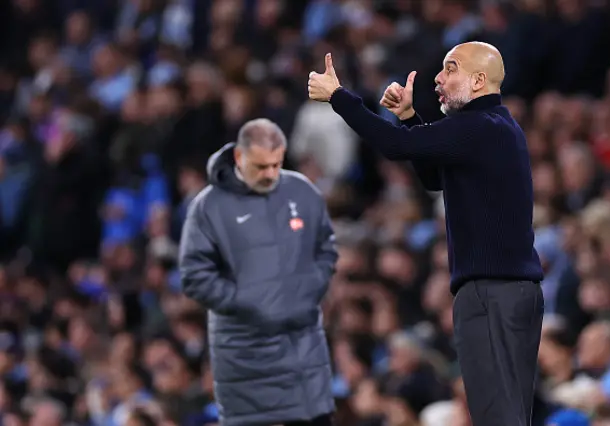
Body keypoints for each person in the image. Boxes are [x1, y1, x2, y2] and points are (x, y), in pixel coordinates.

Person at [308, 43, 545, 426]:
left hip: (490, 292)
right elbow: (434, 175)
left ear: (479, 80)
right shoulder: (497, 127)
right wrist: (408, 117)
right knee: (510, 415)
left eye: (450, 69)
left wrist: (339, 97)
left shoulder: (478, 126)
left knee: (496, 416)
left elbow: (396, 148)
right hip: (510, 291)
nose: (438, 77)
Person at [178, 118, 338, 426]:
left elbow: (326, 247)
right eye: (261, 167)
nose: (270, 175)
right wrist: (246, 301)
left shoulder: (301, 192)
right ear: (239, 157)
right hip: (244, 357)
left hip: (303, 353)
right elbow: (194, 275)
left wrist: (310, 289)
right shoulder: (208, 206)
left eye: (276, 165)